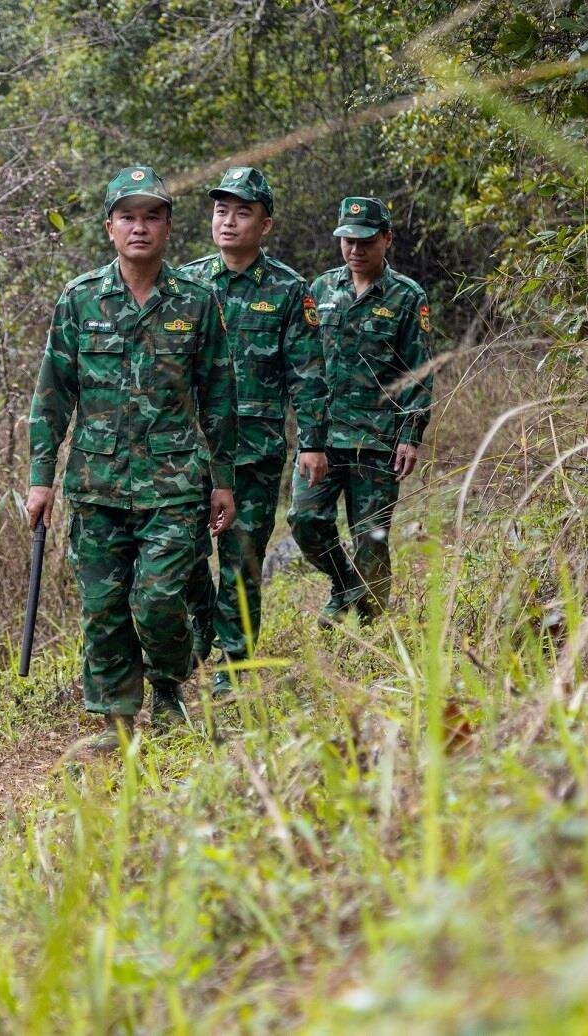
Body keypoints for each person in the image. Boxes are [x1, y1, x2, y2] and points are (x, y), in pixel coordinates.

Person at [26, 165, 238, 748]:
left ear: (168, 227)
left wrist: (223, 479)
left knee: (159, 599)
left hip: (173, 483)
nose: (139, 227)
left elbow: (220, 393)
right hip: (96, 483)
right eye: (128, 217)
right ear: (109, 228)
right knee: (105, 606)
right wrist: (39, 479)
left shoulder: (197, 302)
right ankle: (116, 721)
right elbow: (52, 394)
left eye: (152, 216)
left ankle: (169, 689)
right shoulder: (79, 299)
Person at [181, 167, 328, 696]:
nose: (229, 220)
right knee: (183, 555)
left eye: (243, 212)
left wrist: (311, 442)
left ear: (265, 224)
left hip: (255, 451)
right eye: (222, 210)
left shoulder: (289, 291)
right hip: (190, 450)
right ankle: (197, 636)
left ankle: (234, 664)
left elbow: (308, 373)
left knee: (242, 559)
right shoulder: (188, 282)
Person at [289, 196, 432, 626]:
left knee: (370, 537)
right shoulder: (319, 291)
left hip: (378, 439)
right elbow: (306, 366)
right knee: (305, 519)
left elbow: (419, 370)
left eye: (366, 240)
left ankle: (370, 628)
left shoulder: (407, 297)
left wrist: (410, 433)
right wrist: (306, 435)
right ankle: (344, 585)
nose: (355, 249)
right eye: (348, 240)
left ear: (387, 239)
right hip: (324, 439)